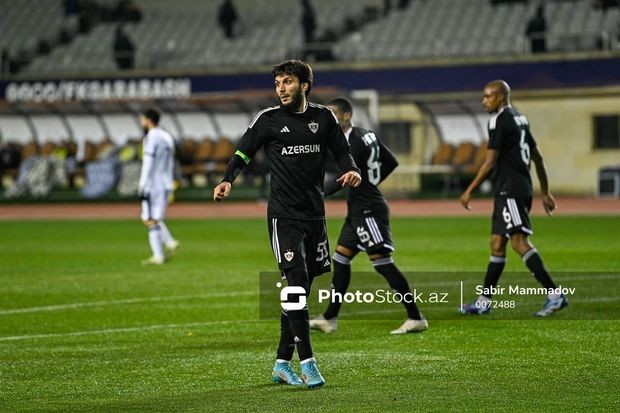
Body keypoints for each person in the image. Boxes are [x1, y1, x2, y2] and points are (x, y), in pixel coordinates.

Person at [213, 60, 361, 388]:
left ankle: (282, 362)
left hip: (315, 216)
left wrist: (354, 171)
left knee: (300, 292)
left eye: (288, 82)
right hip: (283, 216)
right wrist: (228, 180)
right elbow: (242, 153)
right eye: (278, 82)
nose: (281, 88)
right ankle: (308, 363)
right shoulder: (268, 120)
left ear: (305, 85)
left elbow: (343, 152)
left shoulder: (323, 118)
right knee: (294, 285)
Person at [310, 97, 428, 335]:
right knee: (341, 260)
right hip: (357, 209)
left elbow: (342, 180)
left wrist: (316, 194)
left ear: (346, 116)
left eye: (332, 114)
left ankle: (416, 317)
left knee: (383, 263)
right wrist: (371, 182)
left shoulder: (351, 143)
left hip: (368, 210)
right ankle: (329, 317)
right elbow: (391, 161)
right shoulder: (366, 135)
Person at [459, 80, 568, 317]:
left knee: (519, 243)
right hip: (514, 188)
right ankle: (484, 301)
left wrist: (470, 189)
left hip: (510, 190)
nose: (483, 101)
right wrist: (545, 191)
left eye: (488, 96)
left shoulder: (499, 120)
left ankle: (555, 295)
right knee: (497, 244)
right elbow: (537, 157)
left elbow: (490, 162)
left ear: (500, 97)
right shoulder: (520, 117)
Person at [139, 108, 180, 265]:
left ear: (148, 120)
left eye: (142, 119)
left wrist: (142, 184)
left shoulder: (151, 137)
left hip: (152, 183)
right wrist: (170, 183)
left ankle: (167, 244)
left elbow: (148, 162)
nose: (141, 122)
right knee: (155, 217)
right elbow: (171, 162)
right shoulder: (166, 136)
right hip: (165, 182)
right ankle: (161, 252)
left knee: (148, 218)